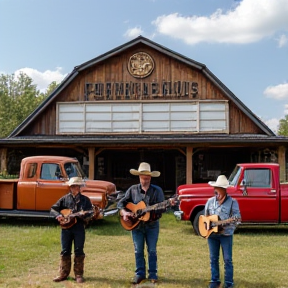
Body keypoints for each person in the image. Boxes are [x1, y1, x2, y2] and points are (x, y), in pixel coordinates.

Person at [117, 162, 175, 285]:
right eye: (143, 177)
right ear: (139, 177)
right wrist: (124, 213)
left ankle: (153, 274)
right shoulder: (132, 190)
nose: (146, 179)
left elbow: (162, 208)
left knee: (152, 250)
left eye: (147, 177)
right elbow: (120, 204)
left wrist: (166, 205)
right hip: (136, 225)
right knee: (138, 250)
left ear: (150, 177)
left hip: (152, 225)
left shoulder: (157, 191)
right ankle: (139, 274)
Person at [50, 177, 94, 283]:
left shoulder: (85, 200)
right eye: (73, 186)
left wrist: (83, 215)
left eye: (77, 186)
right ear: (70, 187)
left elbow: (91, 212)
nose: (75, 188)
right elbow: (53, 208)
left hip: (79, 228)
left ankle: (78, 274)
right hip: (65, 229)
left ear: (79, 187)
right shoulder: (64, 199)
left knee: (79, 250)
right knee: (65, 250)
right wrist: (59, 216)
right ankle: (63, 273)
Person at [205, 175, 241, 288]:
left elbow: (237, 218)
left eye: (219, 188)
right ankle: (214, 280)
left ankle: (229, 283)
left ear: (224, 190)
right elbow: (204, 218)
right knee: (213, 258)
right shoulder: (210, 202)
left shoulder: (233, 202)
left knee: (227, 259)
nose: (217, 191)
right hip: (212, 235)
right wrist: (207, 227)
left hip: (226, 235)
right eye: (216, 188)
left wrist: (228, 224)